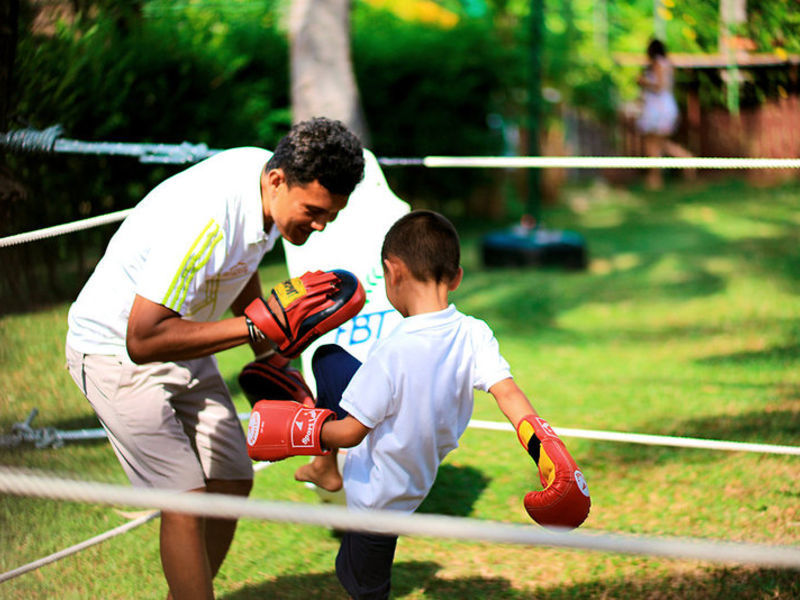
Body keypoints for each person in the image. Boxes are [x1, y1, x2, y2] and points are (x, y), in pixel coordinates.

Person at [64, 116, 365, 600]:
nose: (320, 224)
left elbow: (237, 268)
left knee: (231, 477)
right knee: (183, 500)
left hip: (185, 338)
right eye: (313, 210)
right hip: (112, 349)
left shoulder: (264, 187)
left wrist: (271, 355)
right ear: (278, 180)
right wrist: (255, 326)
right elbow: (140, 340)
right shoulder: (208, 217)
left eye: (331, 214)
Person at [278, 209, 591, 599]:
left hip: (376, 493)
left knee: (360, 583)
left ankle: (327, 468)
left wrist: (296, 429)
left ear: (393, 273)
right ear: (457, 277)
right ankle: (325, 469)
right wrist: (547, 449)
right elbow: (508, 394)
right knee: (330, 359)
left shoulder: (392, 351)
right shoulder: (474, 333)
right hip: (412, 470)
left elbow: (351, 432)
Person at [636, 38, 694, 189]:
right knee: (659, 142)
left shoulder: (658, 64)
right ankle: (686, 159)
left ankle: (655, 178)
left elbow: (659, 86)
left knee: (652, 143)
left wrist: (643, 82)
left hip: (658, 108)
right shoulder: (667, 64)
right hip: (664, 106)